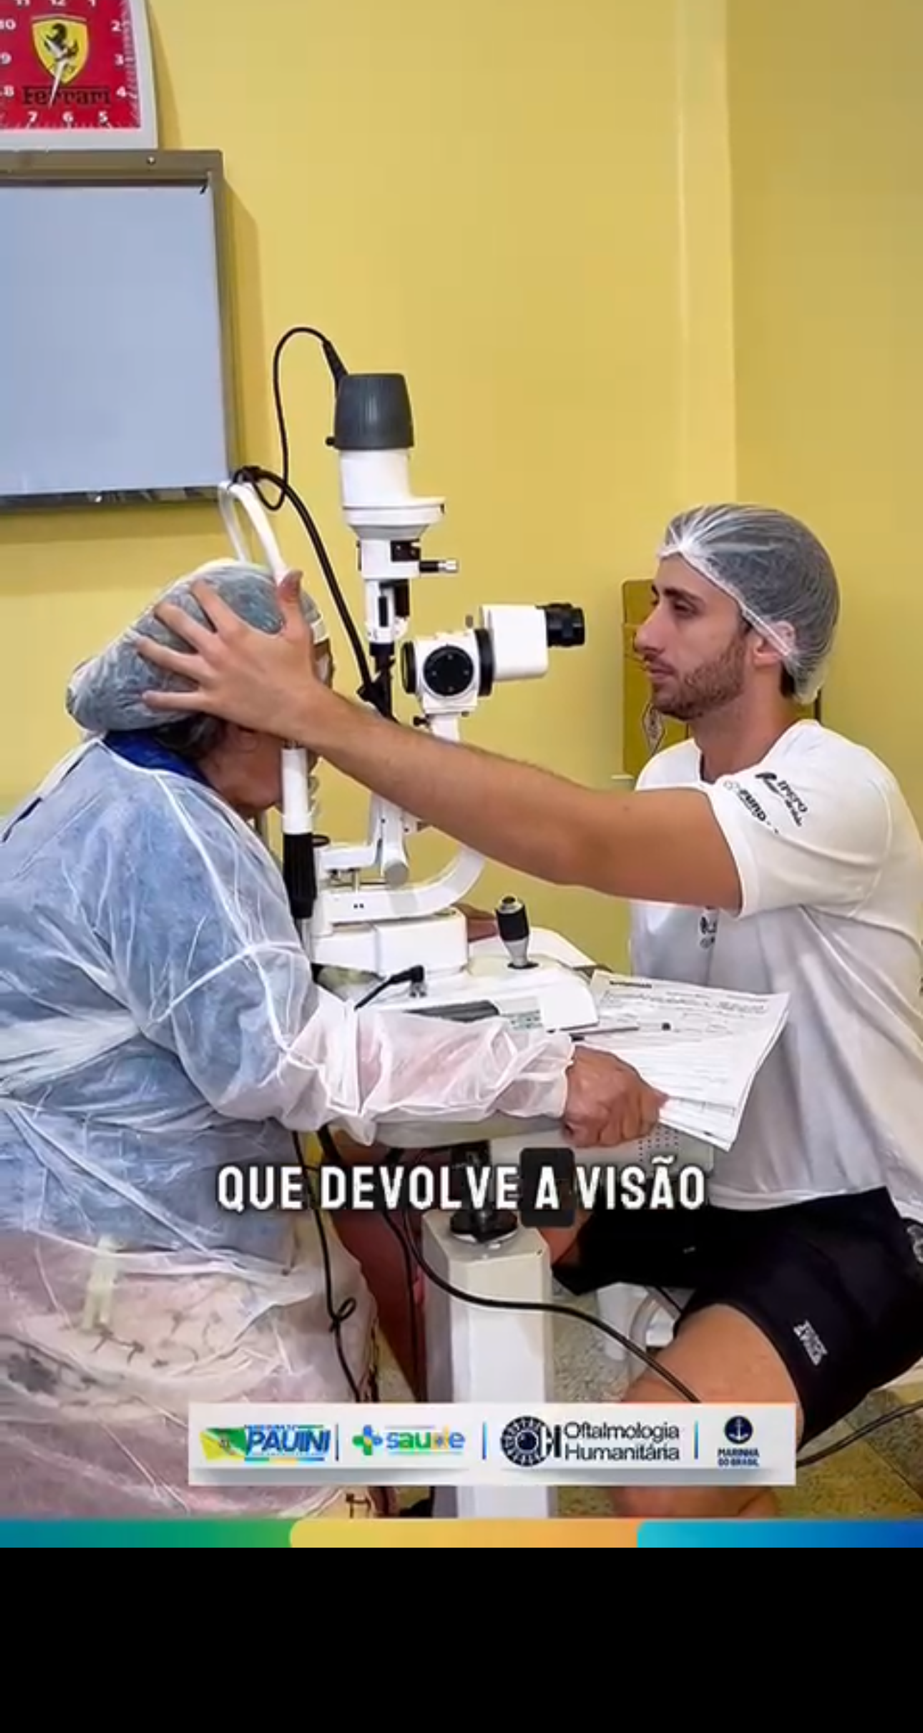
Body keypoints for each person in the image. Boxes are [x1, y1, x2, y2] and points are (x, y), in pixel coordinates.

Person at [136, 503, 923, 1522]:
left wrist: (316, 715)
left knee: (658, 1472)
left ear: (769, 640)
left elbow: (581, 840)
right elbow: (692, 988)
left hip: (852, 1212)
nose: (643, 631)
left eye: (681, 609)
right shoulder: (671, 773)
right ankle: (474, 1481)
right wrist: (452, 934)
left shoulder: (838, 790)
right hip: (689, 1174)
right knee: (382, 1187)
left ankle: (689, 1444)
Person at [0, 559, 661, 1525]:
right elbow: (285, 1059)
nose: (319, 730)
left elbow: (204, 977)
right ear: (234, 709)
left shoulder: (117, 781)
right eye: (302, 700)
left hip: (93, 1235)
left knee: (343, 1313)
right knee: (309, 1492)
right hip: (118, 1277)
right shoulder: (165, 827)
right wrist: (542, 1070)